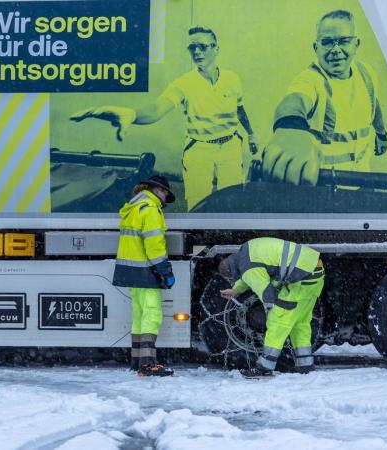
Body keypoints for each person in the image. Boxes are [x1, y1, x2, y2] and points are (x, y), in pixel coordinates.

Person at [71, 25, 258, 211]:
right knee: (198, 207)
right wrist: (133, 114)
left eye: (203, 46)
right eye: (192, 47)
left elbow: (239, 109)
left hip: (230, 147)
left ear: (216, 48)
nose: (197, 52)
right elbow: (156, 109)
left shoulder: (232, 79)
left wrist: (251, 134)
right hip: (199, 149)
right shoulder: (184, 84)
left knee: (231, 203)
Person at [263, 9, 387, 185]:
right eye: (327, 42)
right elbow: (293, 102)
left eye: (343, 41)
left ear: (356, 44)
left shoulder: (366, 73)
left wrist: (381, 134)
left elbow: (373, 102)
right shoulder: (310, 80)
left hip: (362, 180)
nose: (336, 50)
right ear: (316, 47)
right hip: (325, 187)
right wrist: (290, 130)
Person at [218, 237, 324, 377]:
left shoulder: (248, 269)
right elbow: (252, 274)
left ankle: (264, 367)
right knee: (300, 323)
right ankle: (305, 365)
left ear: (233, 272)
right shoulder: (245, 252)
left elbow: (266, 291)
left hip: (301, 278)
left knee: (277, 322)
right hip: (314, 269)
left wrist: (270, 311)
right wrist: (236, 290)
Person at [112, 175, 176, 376]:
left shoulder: (132, 209)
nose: (166, 197)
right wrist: (165, 271)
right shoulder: (149, 209)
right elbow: (154, 245)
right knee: (152, 314)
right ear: (157, 190)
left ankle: (137, 361)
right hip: (145, 270)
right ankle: (148, 363)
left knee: (139, 315)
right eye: (165, 193)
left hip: (131, 270)